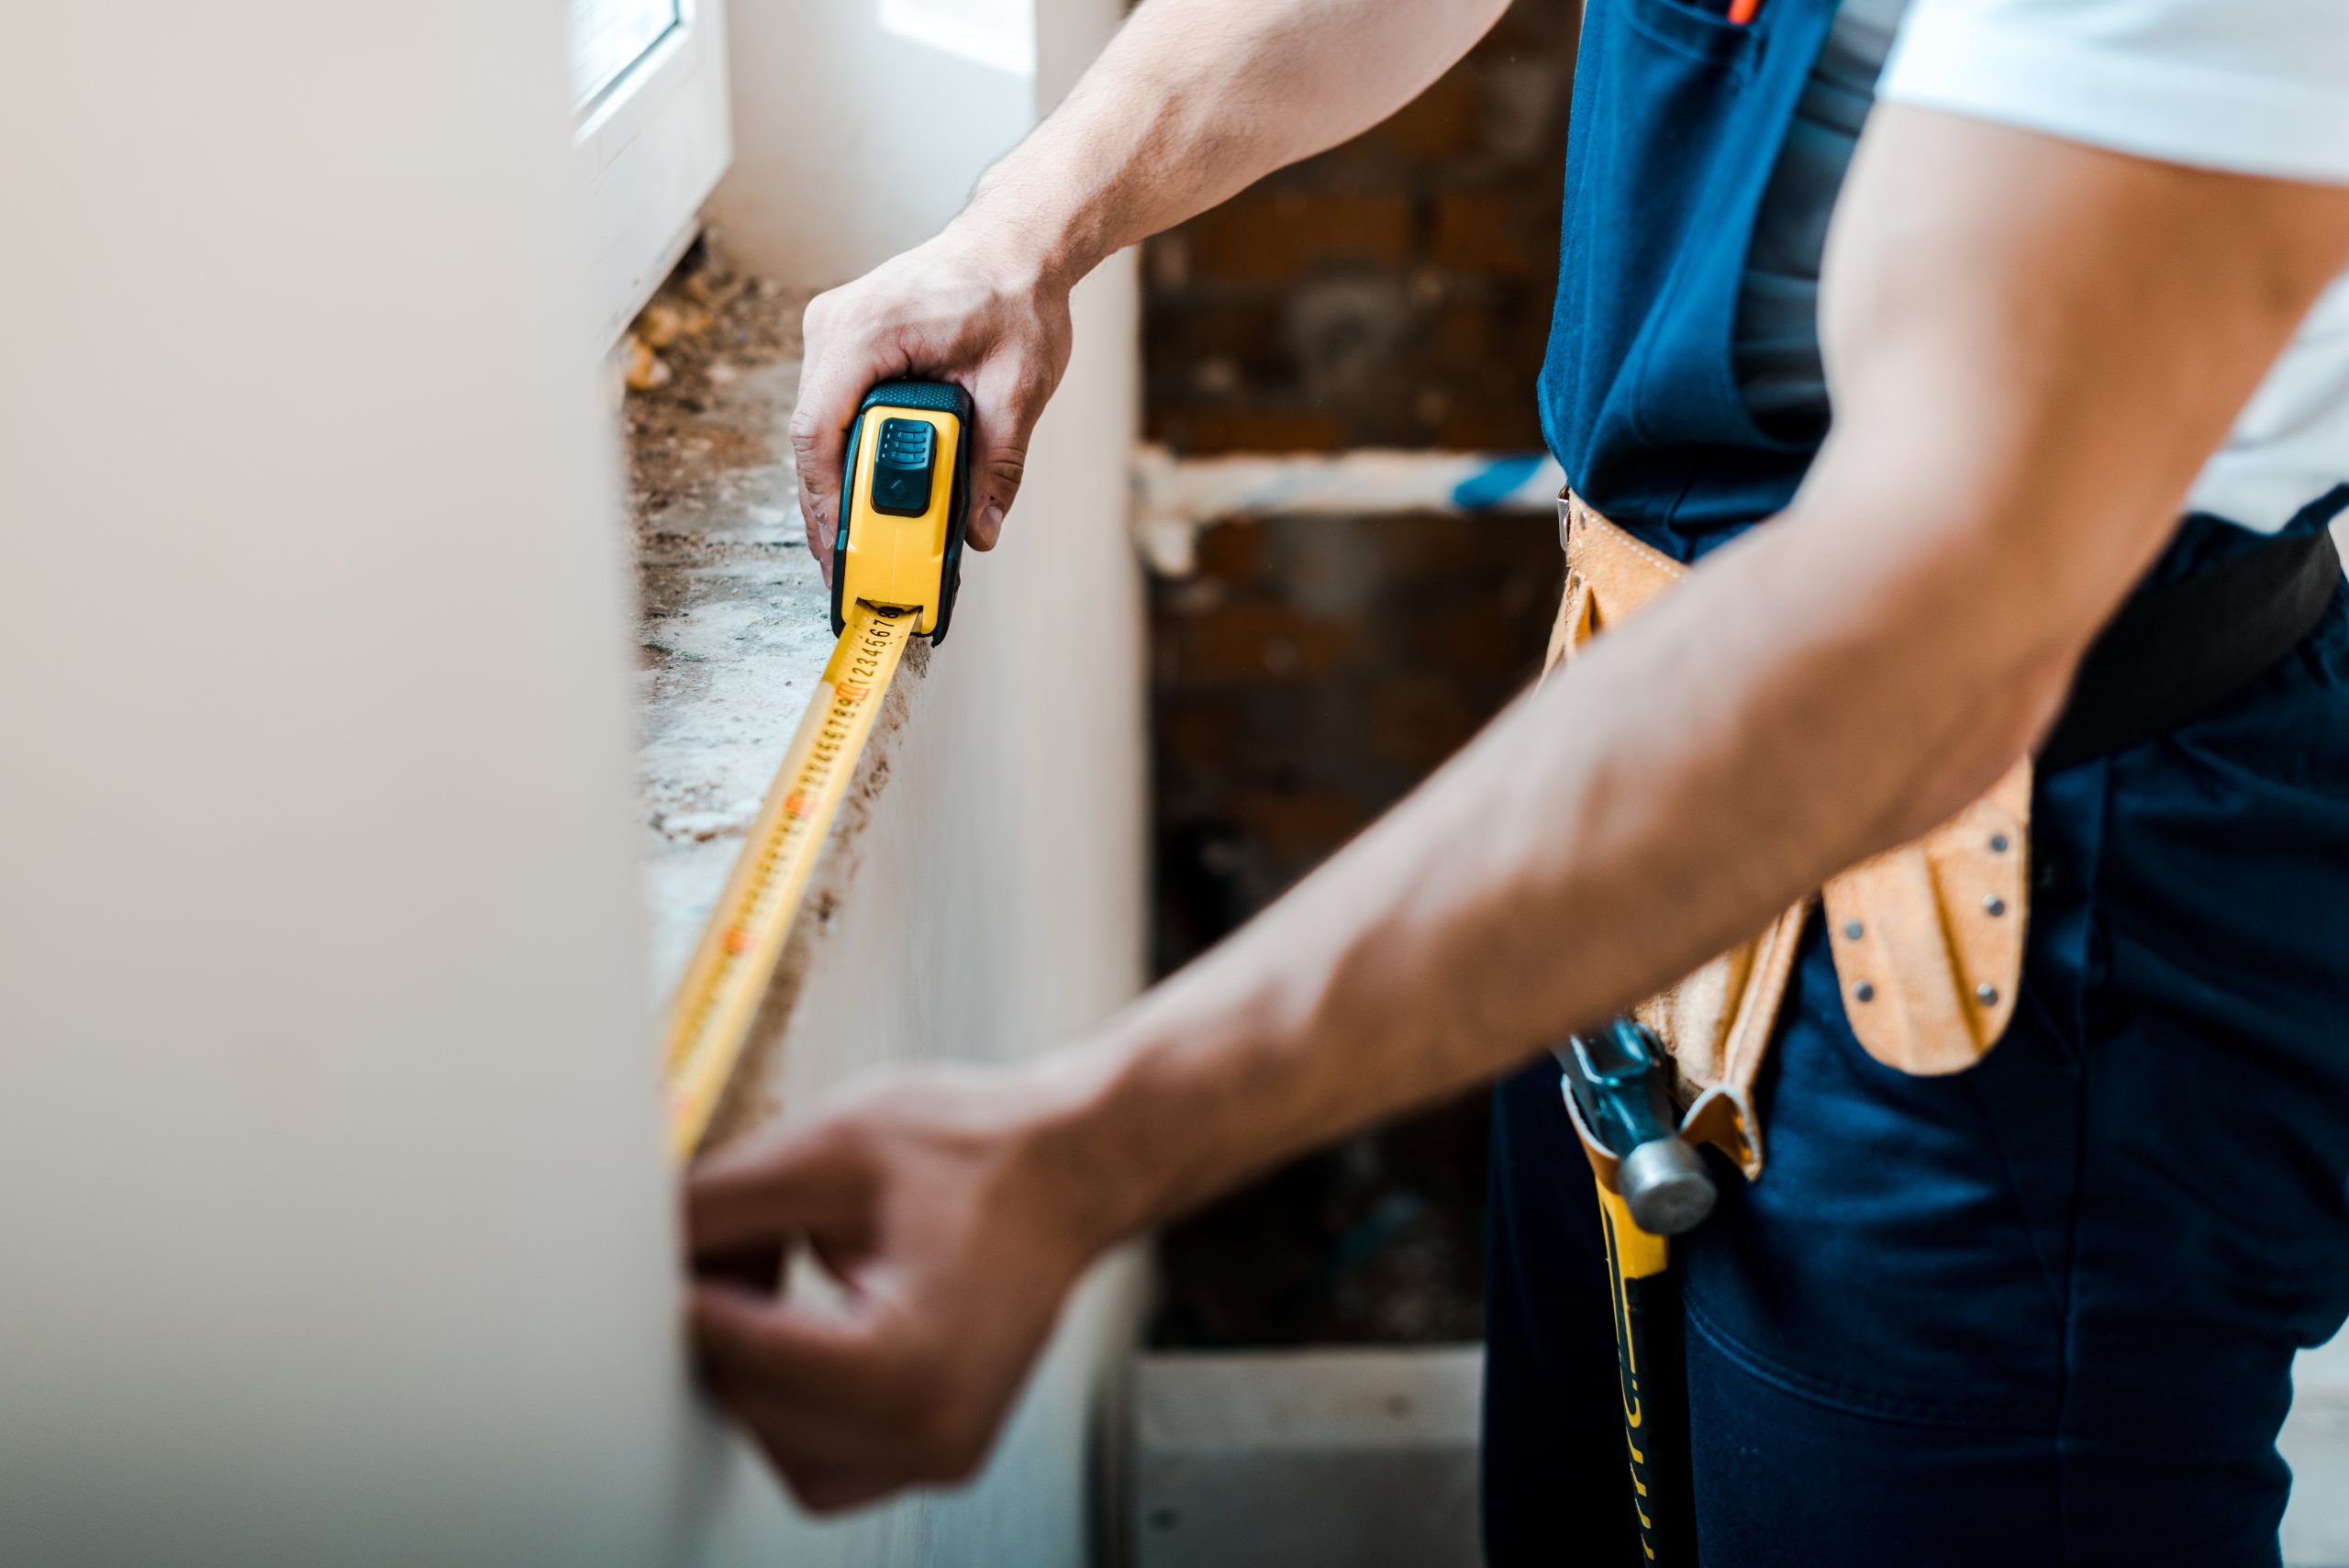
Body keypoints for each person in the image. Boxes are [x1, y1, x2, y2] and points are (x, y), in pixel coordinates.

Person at [682, 0, 2349, 1560]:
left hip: (2021, 950)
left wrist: (1087, 1151)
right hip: (1641, 805)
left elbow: (1916, 616)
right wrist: (1026, 227)